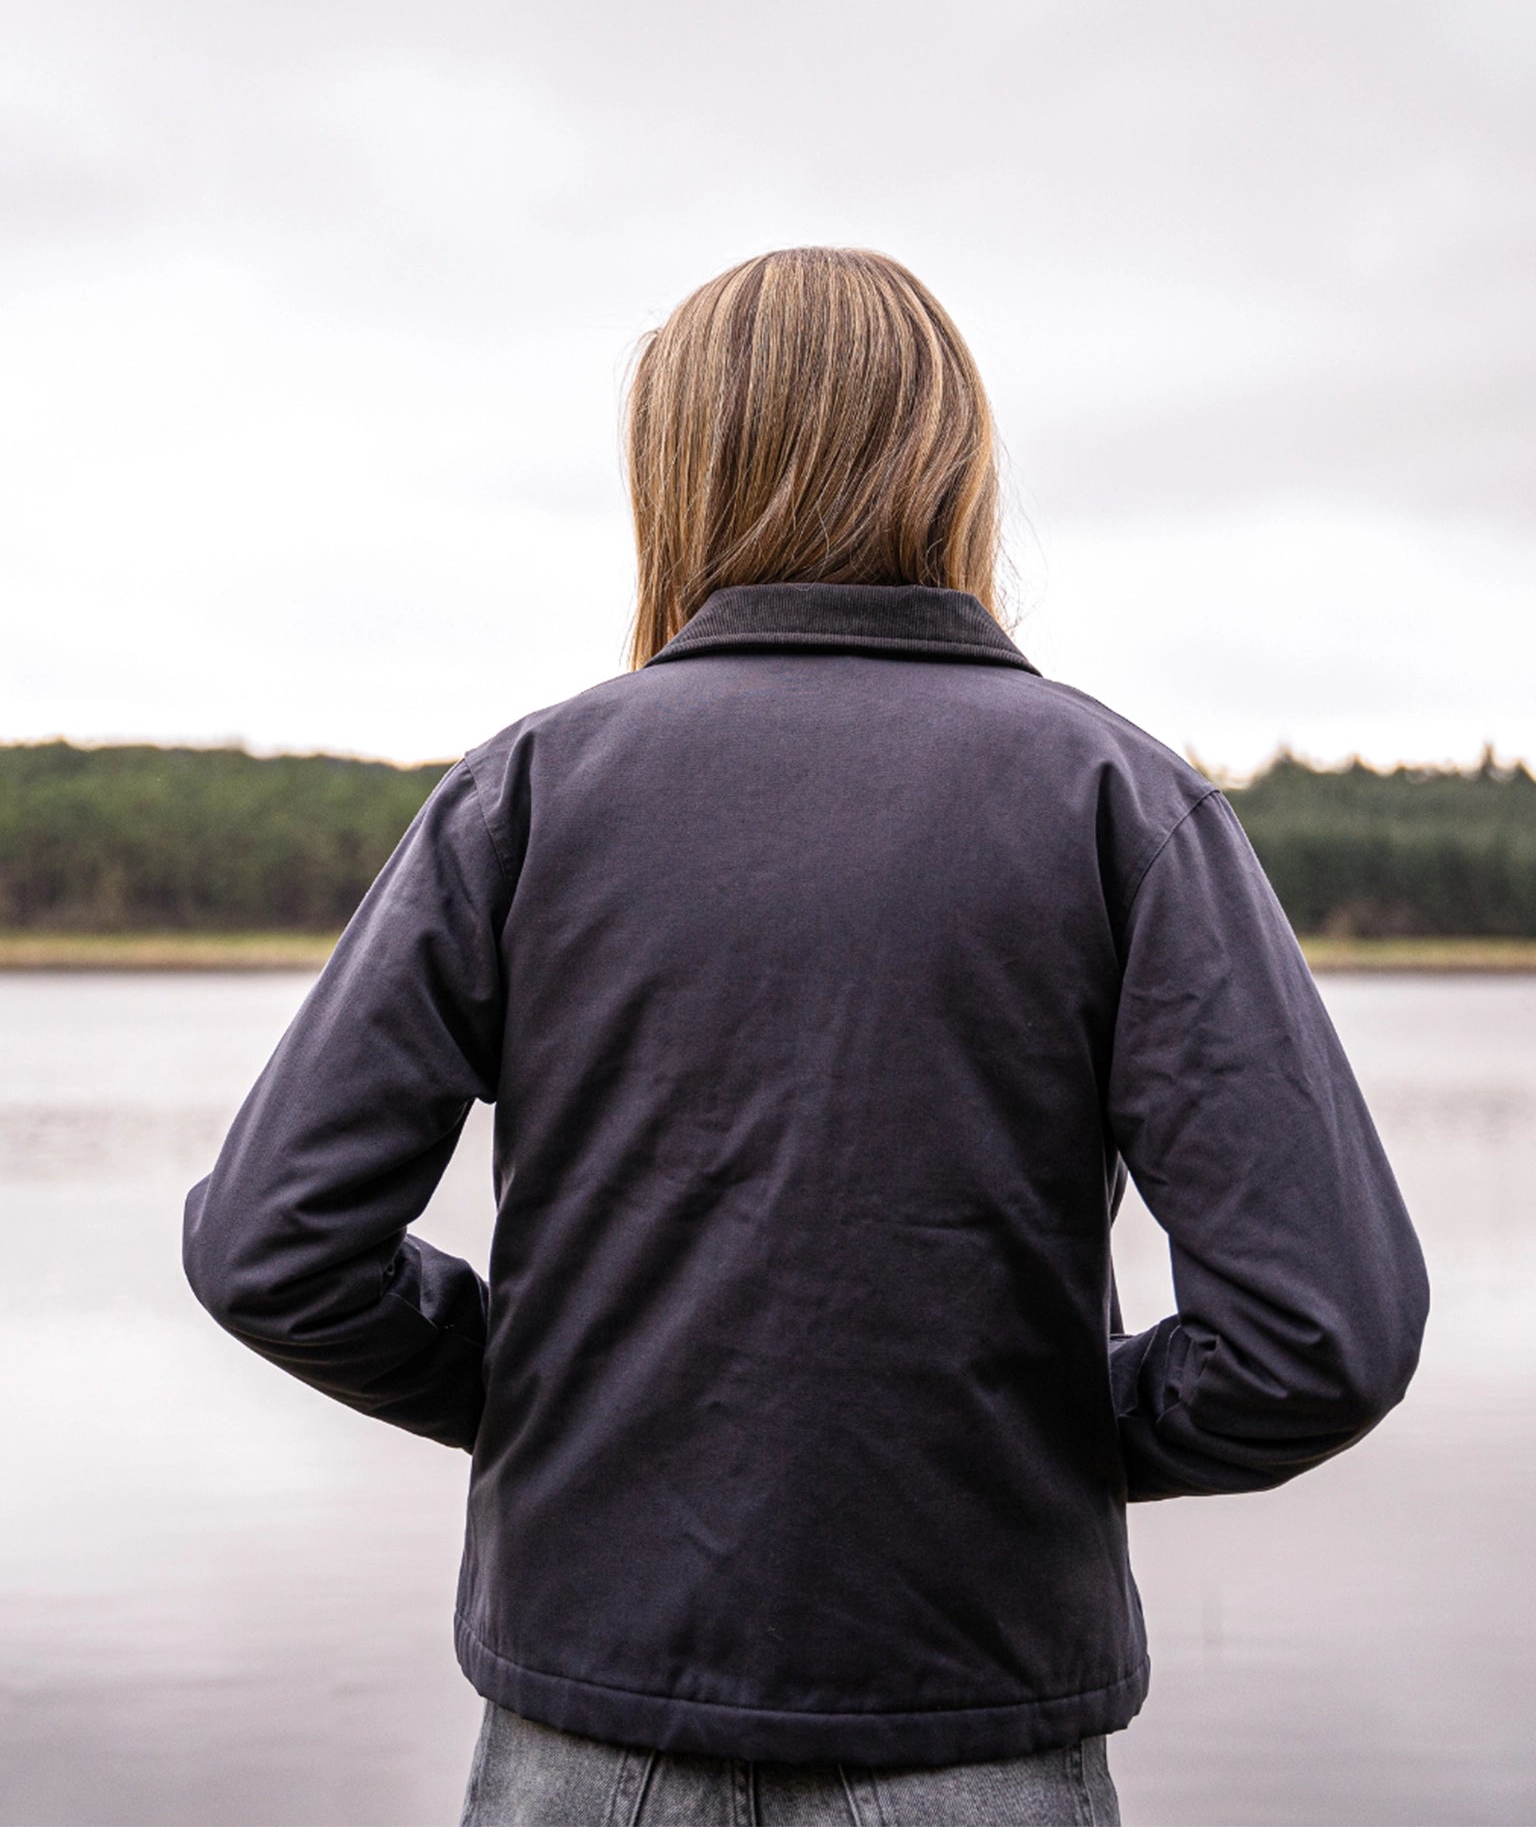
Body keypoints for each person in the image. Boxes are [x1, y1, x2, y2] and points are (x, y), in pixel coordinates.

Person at [183, 247, 1429, 1827]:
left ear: (677, 479)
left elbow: (268, 1250)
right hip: (975, 1721)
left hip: (589, 1721)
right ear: (954, 466)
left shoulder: (530, 793)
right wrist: (1040, 1428)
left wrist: (562, 1399)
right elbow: (1326, 1338)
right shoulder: (1115, 802)